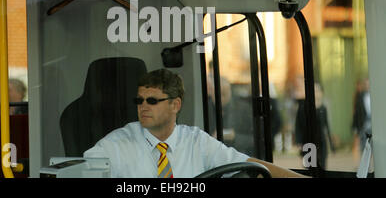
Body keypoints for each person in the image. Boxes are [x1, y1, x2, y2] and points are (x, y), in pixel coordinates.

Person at [84, 68, 306, 178]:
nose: (143, 106)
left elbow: (249, 164)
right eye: (139, 100)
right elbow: (81, 172)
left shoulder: (196, 141)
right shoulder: (115, 145)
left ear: (175, 105)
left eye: (152, 101)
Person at [295, 83, 334, 169]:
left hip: (321, 143)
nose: (316, 93)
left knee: (322, 167)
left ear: (321, 93)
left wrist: (331, 144)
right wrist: (298, 141)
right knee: (310, 168)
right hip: (308, 142)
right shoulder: (303, 106)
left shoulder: (323, 107)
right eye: (314, 90)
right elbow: (298, 125)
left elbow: (326, 126)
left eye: (317, 91)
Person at [352, 78, 371, 155]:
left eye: (368, 84)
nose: (367, 86)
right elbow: (356, 112)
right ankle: (366, 165)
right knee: (363, 146)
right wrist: (355, 126)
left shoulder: (376, 95)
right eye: (365, 84)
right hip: (363, 123)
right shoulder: (359, 96)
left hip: (373, 123)